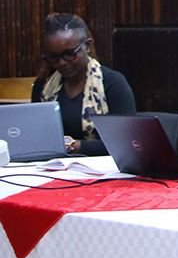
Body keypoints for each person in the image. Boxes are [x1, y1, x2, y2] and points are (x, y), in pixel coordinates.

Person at [31, 13, 137, 156]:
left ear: (87, 46)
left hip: (103, 169)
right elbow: (35, 137)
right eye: (53, 56)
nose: (62, 62)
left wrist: (72, 146)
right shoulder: (43, 85)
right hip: (53, 167)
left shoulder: (112, 83)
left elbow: (126, 142)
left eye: (70, 54)